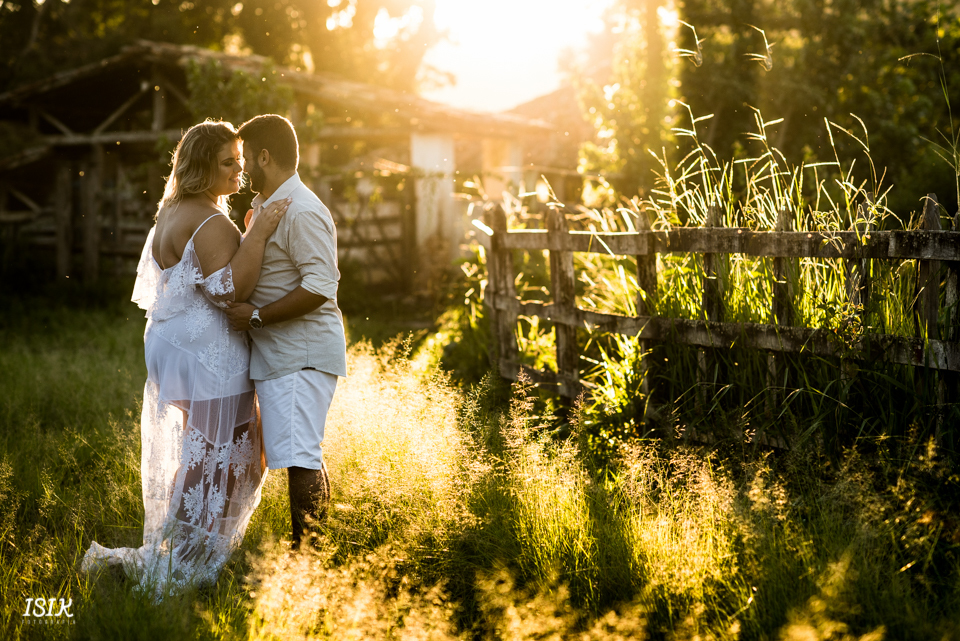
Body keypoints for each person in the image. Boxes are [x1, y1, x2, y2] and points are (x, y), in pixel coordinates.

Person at [81, 121, 292, 600]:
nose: (239, 170)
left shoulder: (172, 210)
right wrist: (259, 233)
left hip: (172, 348)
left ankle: (180, 545)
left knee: (206, 453)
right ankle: (185, 560)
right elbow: (230, 290)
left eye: (240, 160)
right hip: (208, 356)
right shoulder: (210, 221)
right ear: (201, 166)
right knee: (230, 456)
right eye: (228, 162)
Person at [223, 114, 347, 550]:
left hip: (300, 353)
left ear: (264, 156)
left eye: (245, 157)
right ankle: (314, 554)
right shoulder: (269, 206)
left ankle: (306, 560)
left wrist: (256, 316)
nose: (241, 167)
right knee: (303, 453)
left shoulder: (303, 210)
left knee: (300, 458)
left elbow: (321, 286)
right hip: (284, 355)